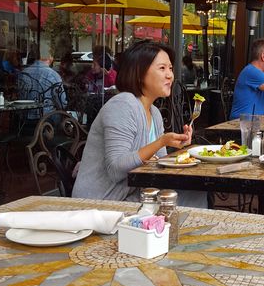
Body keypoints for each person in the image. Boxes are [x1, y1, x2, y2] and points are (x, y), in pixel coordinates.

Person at [73, 40, 193, 201]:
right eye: (162, 68)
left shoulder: (154, 113)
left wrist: (179, 147)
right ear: (140, 72)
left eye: (170, 68)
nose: (170, 75)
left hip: (135, 196)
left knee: (194, 192)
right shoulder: (123, 105)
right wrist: (161, 142)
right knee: (191, 196)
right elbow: (116, 169)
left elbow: (161, 168)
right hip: (102, 202)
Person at [20, 45, 67, 113]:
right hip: (47, 118)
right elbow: (62, 103)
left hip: (24, 117)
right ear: (50, 57)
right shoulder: (52, 75)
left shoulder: (23, 73)